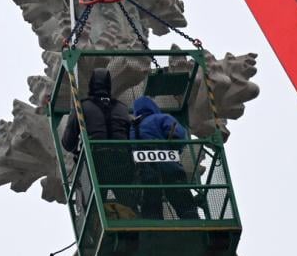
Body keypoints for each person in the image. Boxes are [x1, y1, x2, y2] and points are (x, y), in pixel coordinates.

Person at [62, 69, 136, 214]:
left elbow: (68, 143)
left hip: (96, 161)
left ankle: (98, 225)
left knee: (95, 205)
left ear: (91, 85)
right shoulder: (122, 108)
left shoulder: (82, 106)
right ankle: (133, 226)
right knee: (127, 202)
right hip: (121, 160)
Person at [130, 96, 198, 220]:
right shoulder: (161, 118)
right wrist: (175, 145)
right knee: (180, 196)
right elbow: (179, 134)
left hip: (146, 169)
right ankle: (192, 221)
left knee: (151, 199)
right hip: (168, 163)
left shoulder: (132, 128)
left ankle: (154, 229)